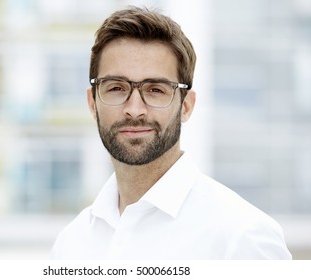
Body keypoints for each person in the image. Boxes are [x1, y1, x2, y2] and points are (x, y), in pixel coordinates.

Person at [50, 6, 292, 259]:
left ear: (186, 105)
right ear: (92, 103)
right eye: (116, 88)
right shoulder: (72, 243)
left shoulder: (242, 237)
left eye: (155, 89)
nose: (134, 110)